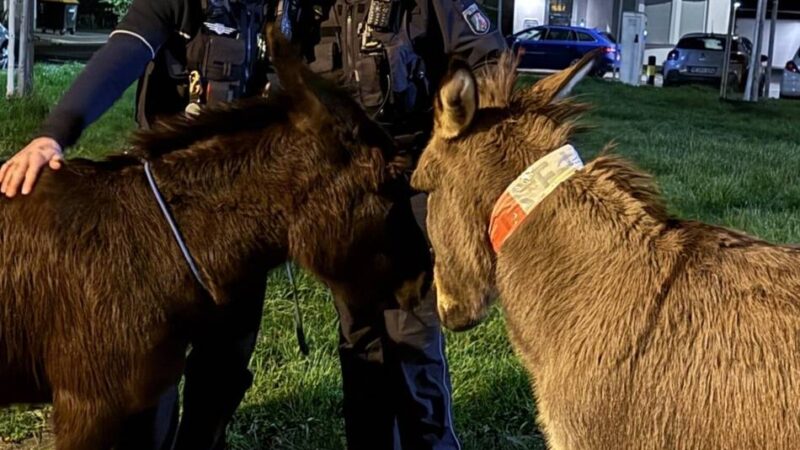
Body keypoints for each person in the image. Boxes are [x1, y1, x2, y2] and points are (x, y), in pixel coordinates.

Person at [0, 0, 506, 448]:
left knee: (230, 361)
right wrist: (56, 132)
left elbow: (479, 58)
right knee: (142, 372)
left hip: (274, 214)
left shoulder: (293, 8)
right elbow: (125, 50)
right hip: (165, 218)